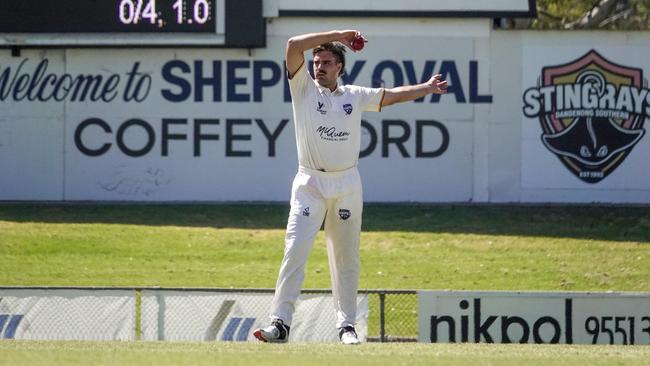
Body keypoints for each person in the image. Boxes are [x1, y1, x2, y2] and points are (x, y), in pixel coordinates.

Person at [253, 29, 447, 345]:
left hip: (346, 185)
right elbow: (291, 45)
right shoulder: (302, 88)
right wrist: (339, 35)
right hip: (309, 184)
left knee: (346, 258)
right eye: (316, 62)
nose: (319, 67)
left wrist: (426, 88)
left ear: (339, 67)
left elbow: (392, 95)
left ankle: (346, 327)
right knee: (295, 250)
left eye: (327, 62)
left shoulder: (354, 96)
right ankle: (280, 324)